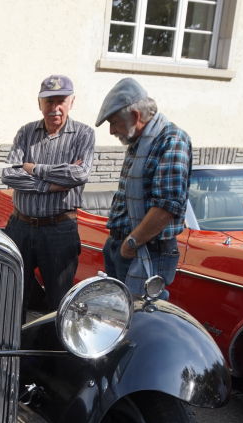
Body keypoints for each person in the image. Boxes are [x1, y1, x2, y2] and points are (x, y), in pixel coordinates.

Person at [3, 75, 95, 314]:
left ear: (71, 102)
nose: (55, 108)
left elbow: (79, 174)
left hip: (59, 230)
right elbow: (9, 174)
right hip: (20, 227)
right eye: (49, 102)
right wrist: (49, 185)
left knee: (59, 300)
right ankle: (13, 339)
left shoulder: (84, 134)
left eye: (60, 101)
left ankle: (54, 339)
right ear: (39, 103)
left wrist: (34, 168)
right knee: (12, 296)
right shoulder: (26, 132)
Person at [95, 77, 192, 298]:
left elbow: (166, 207)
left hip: (147, 249)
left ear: (136, 116)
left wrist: (131, 244)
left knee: (143, 312)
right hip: (124, 245)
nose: (111, 130)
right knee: (118, 311)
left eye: (114, 122)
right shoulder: (140, 141)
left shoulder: (171, 140)